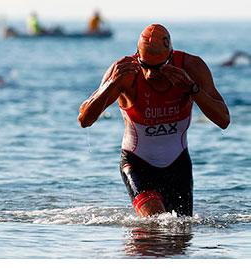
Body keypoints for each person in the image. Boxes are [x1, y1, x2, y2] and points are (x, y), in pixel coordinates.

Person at [78, 24, 230, 218]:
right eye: (146, 66)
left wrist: (192, 89)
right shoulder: (124, 72)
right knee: (157, 224)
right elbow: (84, 119)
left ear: (171, 57)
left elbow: (224, 120)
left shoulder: (191, 68)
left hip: (178, 164)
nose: (150, 74)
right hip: (137, 162)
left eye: (158, 67)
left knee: (180, 235)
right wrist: (111, 84)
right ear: (138, 56)